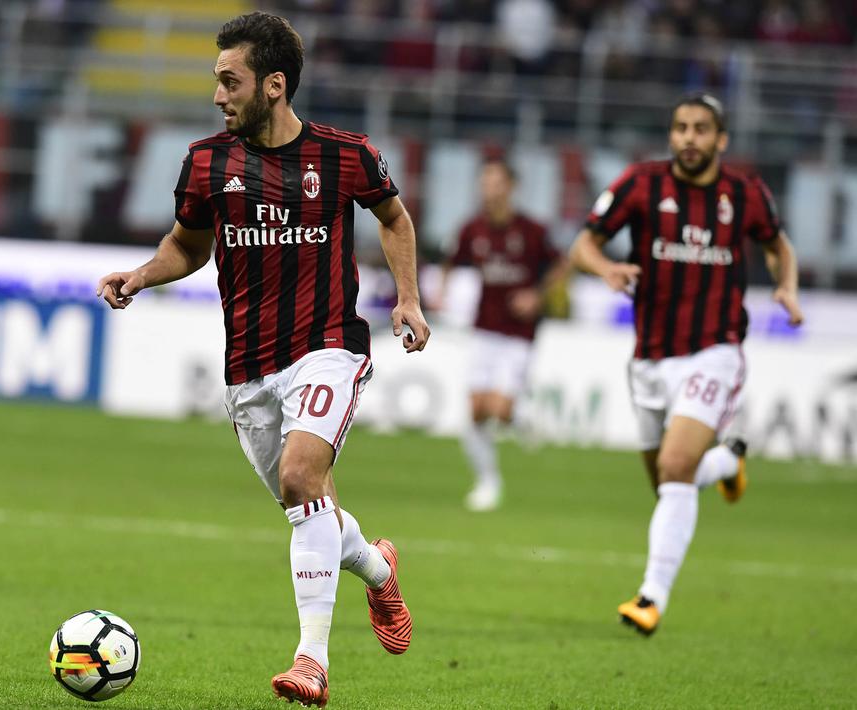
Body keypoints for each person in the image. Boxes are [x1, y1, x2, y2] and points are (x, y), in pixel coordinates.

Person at [96, 12, 430, 706]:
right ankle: (377, 570)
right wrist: (140, 276)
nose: (217, 95)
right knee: (309, 508)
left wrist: (407, 299)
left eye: (229, 80)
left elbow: (393, 218)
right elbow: (187, 246)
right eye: (216, 81)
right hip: (248, 368)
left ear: (273, 85)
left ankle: (311, 661)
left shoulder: (345, 156)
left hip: (328, 345)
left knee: (302, 474)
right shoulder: (206, 162)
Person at [569, 93, 803, 636]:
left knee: (676, 469)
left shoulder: (745, 194)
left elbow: (778, 245)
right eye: (680, 127)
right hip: (650, 358)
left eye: (701, 129)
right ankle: (728, 463)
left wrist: (786, 288)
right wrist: (604, 267)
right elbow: (584, 243)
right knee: (671, 483)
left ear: (721, 139)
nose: (689, 138)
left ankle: (650, 597)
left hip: (714, 350)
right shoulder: (639, 184)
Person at [440, 157, 569, 512]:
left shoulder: (532, 230)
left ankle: (522, 416)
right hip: (484, 328)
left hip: (519, 333)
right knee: (477, 411)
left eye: (495, 182)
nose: (488, 189)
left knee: (499, 408)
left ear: (511, 186)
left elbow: (562, 264)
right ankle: (488, 482)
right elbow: (452, 261)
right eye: (484, 182)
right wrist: (441, 292)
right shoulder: (474, 229)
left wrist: (537, 296)